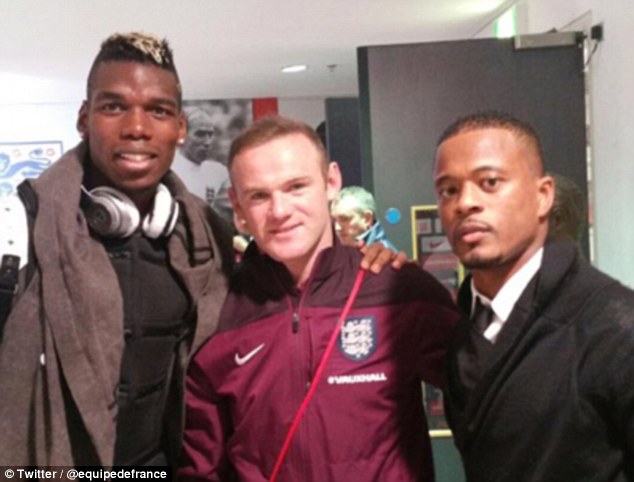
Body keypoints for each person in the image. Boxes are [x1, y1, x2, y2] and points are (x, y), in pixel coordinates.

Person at [179, 115, 460, 481]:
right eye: (259, 195)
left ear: (331, 183)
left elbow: (492, 408)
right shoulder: (218, 314)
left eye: (296, 186)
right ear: (237, 205)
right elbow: (200, 468)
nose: (280, 211)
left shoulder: (398, 291)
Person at [0, 32, 234, 468]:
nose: (137, 128)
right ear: (84, 119)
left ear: (179, 128)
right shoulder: (22, 230)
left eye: (158, 111)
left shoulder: (211, 242)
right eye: (113, 106)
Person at [433, 111, 634, 481]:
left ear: (543, 197)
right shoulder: (465, 333)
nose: (465, 203)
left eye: (490, 182)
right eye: (449, 190)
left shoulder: (615, 326)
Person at [171, 104, 233, 222]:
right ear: (182, 134)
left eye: (210, 134)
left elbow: (234, 210)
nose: (207, 142)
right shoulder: (168, 167)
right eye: (200, 134)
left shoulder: (218, 172)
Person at [331, 185, 397, 251]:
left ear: (367, 219)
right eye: (334, 220)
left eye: (345, 219)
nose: (337, 228)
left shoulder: (383, 256)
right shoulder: (338, 250)